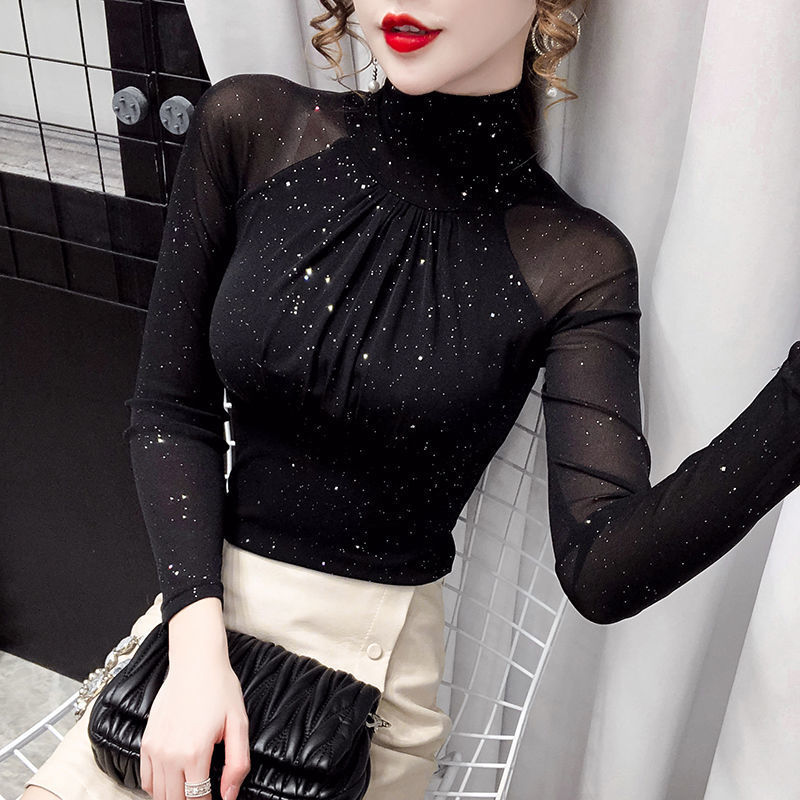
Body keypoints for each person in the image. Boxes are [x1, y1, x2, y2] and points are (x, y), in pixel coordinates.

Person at [23, 1, 800, 800]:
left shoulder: (573, 259)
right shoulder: (251, 126)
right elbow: (170, 410)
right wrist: (195, 654)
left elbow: (602, 568)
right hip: (196, 621)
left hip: (362, 689)